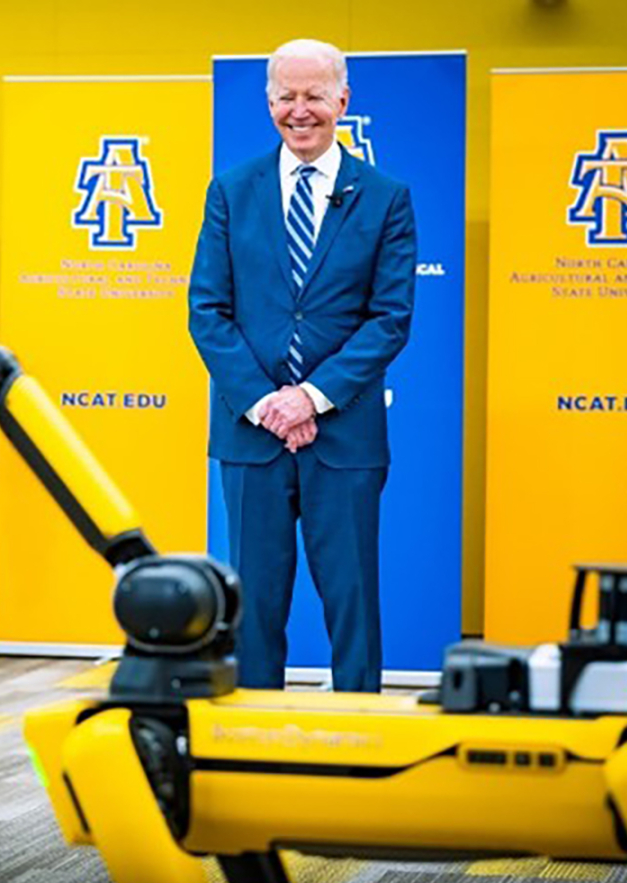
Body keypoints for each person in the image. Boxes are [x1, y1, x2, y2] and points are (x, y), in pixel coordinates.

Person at [187, 38, 416, 693]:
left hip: (343, 438)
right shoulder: (230, 192)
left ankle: (360, 735)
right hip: (250, 435)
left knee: (353, 604)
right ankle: (259, 741)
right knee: (253, 605)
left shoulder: (385, 197)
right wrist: (268, 403)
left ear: (342, 100)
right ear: (268, 102)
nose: (300, 110)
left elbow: (390, 318)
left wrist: (310, 398)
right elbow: (207, 310)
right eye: (286, 96)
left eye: (313, 95)